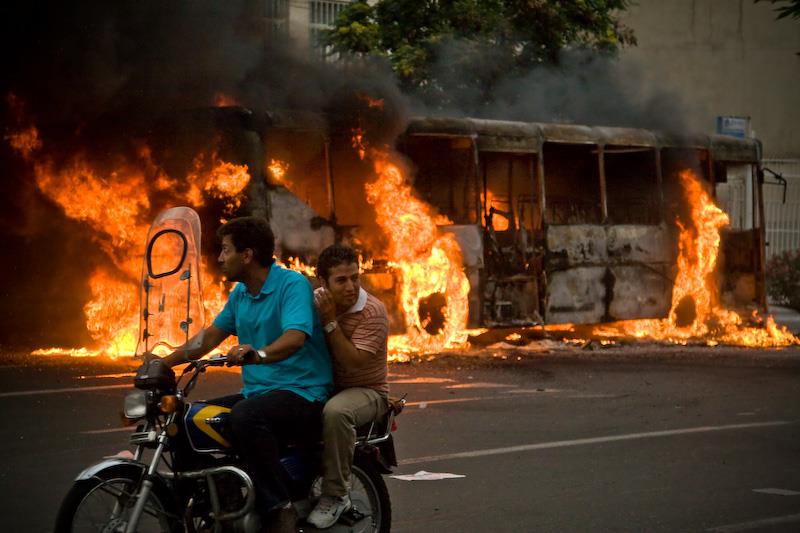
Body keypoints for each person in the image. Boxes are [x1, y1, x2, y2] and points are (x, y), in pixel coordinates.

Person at [162, 216, 332, 533]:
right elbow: (208, 338)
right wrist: (163, 362)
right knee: (185, 418)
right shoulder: (241, 293)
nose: (220, 258)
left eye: (226, 250)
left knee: (245, 416)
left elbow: (295, 337)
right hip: (261, 394)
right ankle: (217, 503)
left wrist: (259, 354)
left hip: (304, 393)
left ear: (248, 254)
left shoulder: (291, 285)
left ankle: (279, 507)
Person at [306, 245, 390, 529]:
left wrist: (329, 320)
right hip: (324, 385)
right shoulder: (314, 302)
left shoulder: (372, 312)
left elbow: (352, 361)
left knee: (337, 412)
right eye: (341, 280)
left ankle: (336, 494)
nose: (351, 286)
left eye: (355, 277)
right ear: (323, 282)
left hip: (367, 391)